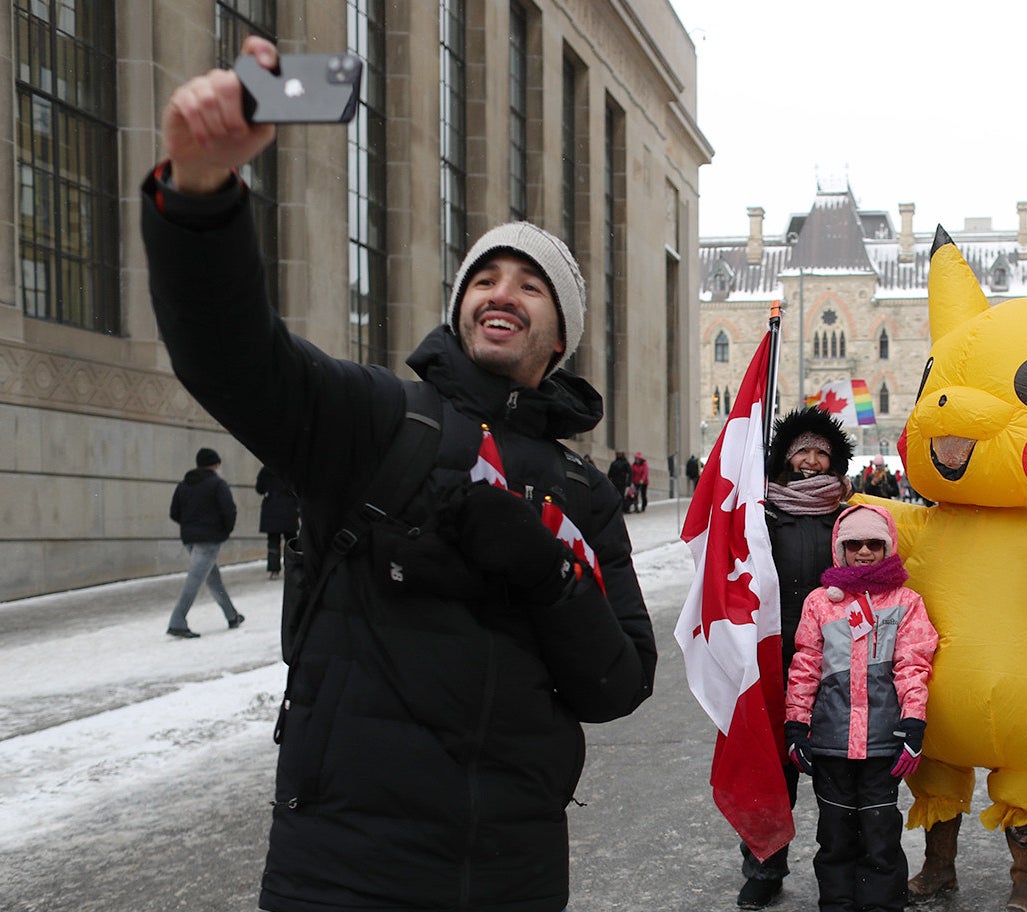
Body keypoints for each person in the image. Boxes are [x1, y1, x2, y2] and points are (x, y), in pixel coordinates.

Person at [141, 36, 657, 912]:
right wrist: (201, 198)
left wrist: (547, 572)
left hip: (511, 874)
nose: (502, 292)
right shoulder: (377, 418)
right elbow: (231, 356)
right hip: (345, 869)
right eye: (484, 278)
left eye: (531, 286)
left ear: (560, 336)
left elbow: (618, 685)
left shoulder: (583, 492)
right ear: (459, 309)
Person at [784, 502, 938, 912]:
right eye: (855, 544)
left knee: (879, 833)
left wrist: (912, 722)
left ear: (888, 547)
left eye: (874, 543)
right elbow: (805, 665)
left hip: (882, 743)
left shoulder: (906, 602)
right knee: (835, 834)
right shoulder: (821, 602)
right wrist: (797, 725)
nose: (865, 552)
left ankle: (882, 904)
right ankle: (838, 903)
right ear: (840, 548)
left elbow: (913, 665)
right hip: (831, 742)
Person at [734, 406, 854, 910]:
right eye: (801, 450)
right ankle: (764, 864)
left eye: (820, 452)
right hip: (775, 654)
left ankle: (842, 869)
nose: (810, 460)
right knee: (773, 765)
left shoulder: (850, 514)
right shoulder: (763, 511)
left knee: (836, 766)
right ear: (785, 457)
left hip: (836, 657)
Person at [166, 447, 244, 637]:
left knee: (212, 579)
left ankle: (231, 615)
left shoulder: (184, 485)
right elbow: (229, 511)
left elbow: (174, 512)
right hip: (209, 539)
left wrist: (190, 526)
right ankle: (177, 621)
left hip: (190, 539)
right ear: (215, 464)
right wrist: (224, 531)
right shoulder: (218, 484)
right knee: (194, 580)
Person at [256, 465, 299, 579]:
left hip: (271, 510)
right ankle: (292, 568)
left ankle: (274, 570)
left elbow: (259, 489)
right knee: (291, 542)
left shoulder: (266, 469)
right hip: (289, 509)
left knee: (273, 542)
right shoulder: (291, 468)